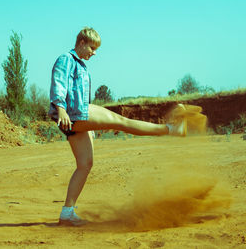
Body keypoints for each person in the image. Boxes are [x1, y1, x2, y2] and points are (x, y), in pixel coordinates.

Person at [48, 27, 187, 226]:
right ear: (81, 42)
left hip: (76, 119)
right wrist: (60, 107)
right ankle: (172, 129)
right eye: (92, 48)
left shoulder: (82, 65)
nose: (94, 53)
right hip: (74, 113)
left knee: (85, 164)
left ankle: (67, 213)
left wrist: (88, 126)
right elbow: (58, 83)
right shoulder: (66, 59)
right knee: (123, 123)